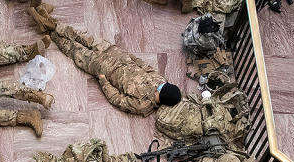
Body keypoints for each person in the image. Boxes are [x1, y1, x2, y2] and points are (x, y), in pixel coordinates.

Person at [27, 3, 182, 116]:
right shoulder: (160, 80)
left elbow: (117, 99)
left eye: (160, 90)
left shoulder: (143, 105)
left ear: (160, 99)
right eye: (162, 85)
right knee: (82, 36)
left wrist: (103, 80)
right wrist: (128, 55)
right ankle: (51, 23)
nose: (159, 86)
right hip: (115, 54)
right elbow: (145, 65)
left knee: (74, 49)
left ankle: (50, 31)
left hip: (103, 68)